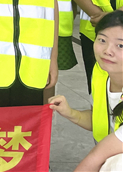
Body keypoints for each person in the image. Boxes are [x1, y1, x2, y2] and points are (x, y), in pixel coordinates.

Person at [49, 11, 123, 143]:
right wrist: (70, 112)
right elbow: (99, 119)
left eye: (120, 45)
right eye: (102, 40)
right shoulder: (101, 73)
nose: (107, 51)